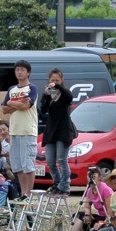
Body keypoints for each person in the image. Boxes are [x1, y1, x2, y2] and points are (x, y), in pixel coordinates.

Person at [1, 60, 39, 199]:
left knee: (28, 164)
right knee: (17, 165)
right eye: (17, 69)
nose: (19, 72)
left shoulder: (32, 88)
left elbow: (26, 106)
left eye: (22, 69)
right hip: (14, 131)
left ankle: (29, 193)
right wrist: (14, 103)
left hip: (28, 130)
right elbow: (4, 109)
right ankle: (23, 193)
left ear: (28, 72)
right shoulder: (12, 90)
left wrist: (12, 103)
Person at [39, 68, 74, 197]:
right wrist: (46, 95)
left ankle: (65, 186)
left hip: (63, 131)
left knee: (62, 159)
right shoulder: (49, 94)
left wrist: (58, 86)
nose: (54, 82)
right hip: (51, 131)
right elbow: (42, 110)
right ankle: (57, 183)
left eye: (57, 80)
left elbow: (70, 97)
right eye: (52, 80)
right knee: (50, 161)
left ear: (61, 80)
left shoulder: (65, 93)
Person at [69, 167, 112, 231]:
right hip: (99, 217)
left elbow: (111, 210)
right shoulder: (90, 190)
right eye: (89, 176)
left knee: (81, 217)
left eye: (93, 176)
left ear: (99, 177)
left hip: (107, 218)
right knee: (79, 217)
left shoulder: (105, 189)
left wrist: (105, 222)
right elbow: (86, 207)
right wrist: (87, 214)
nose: (91, 178)